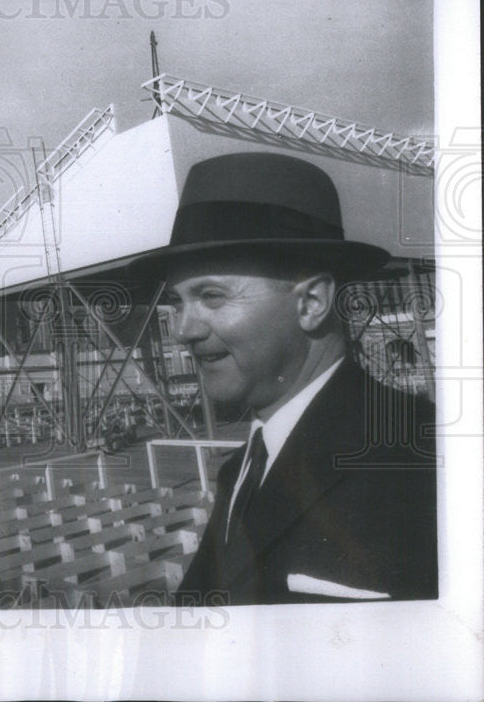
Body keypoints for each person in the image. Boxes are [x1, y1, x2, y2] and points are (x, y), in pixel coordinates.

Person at [131, 152, 437, 605]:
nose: (183, 331)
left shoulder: (421, 458)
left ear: (311, 302)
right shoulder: (242, 471)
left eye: (211, 295)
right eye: (179, 303)